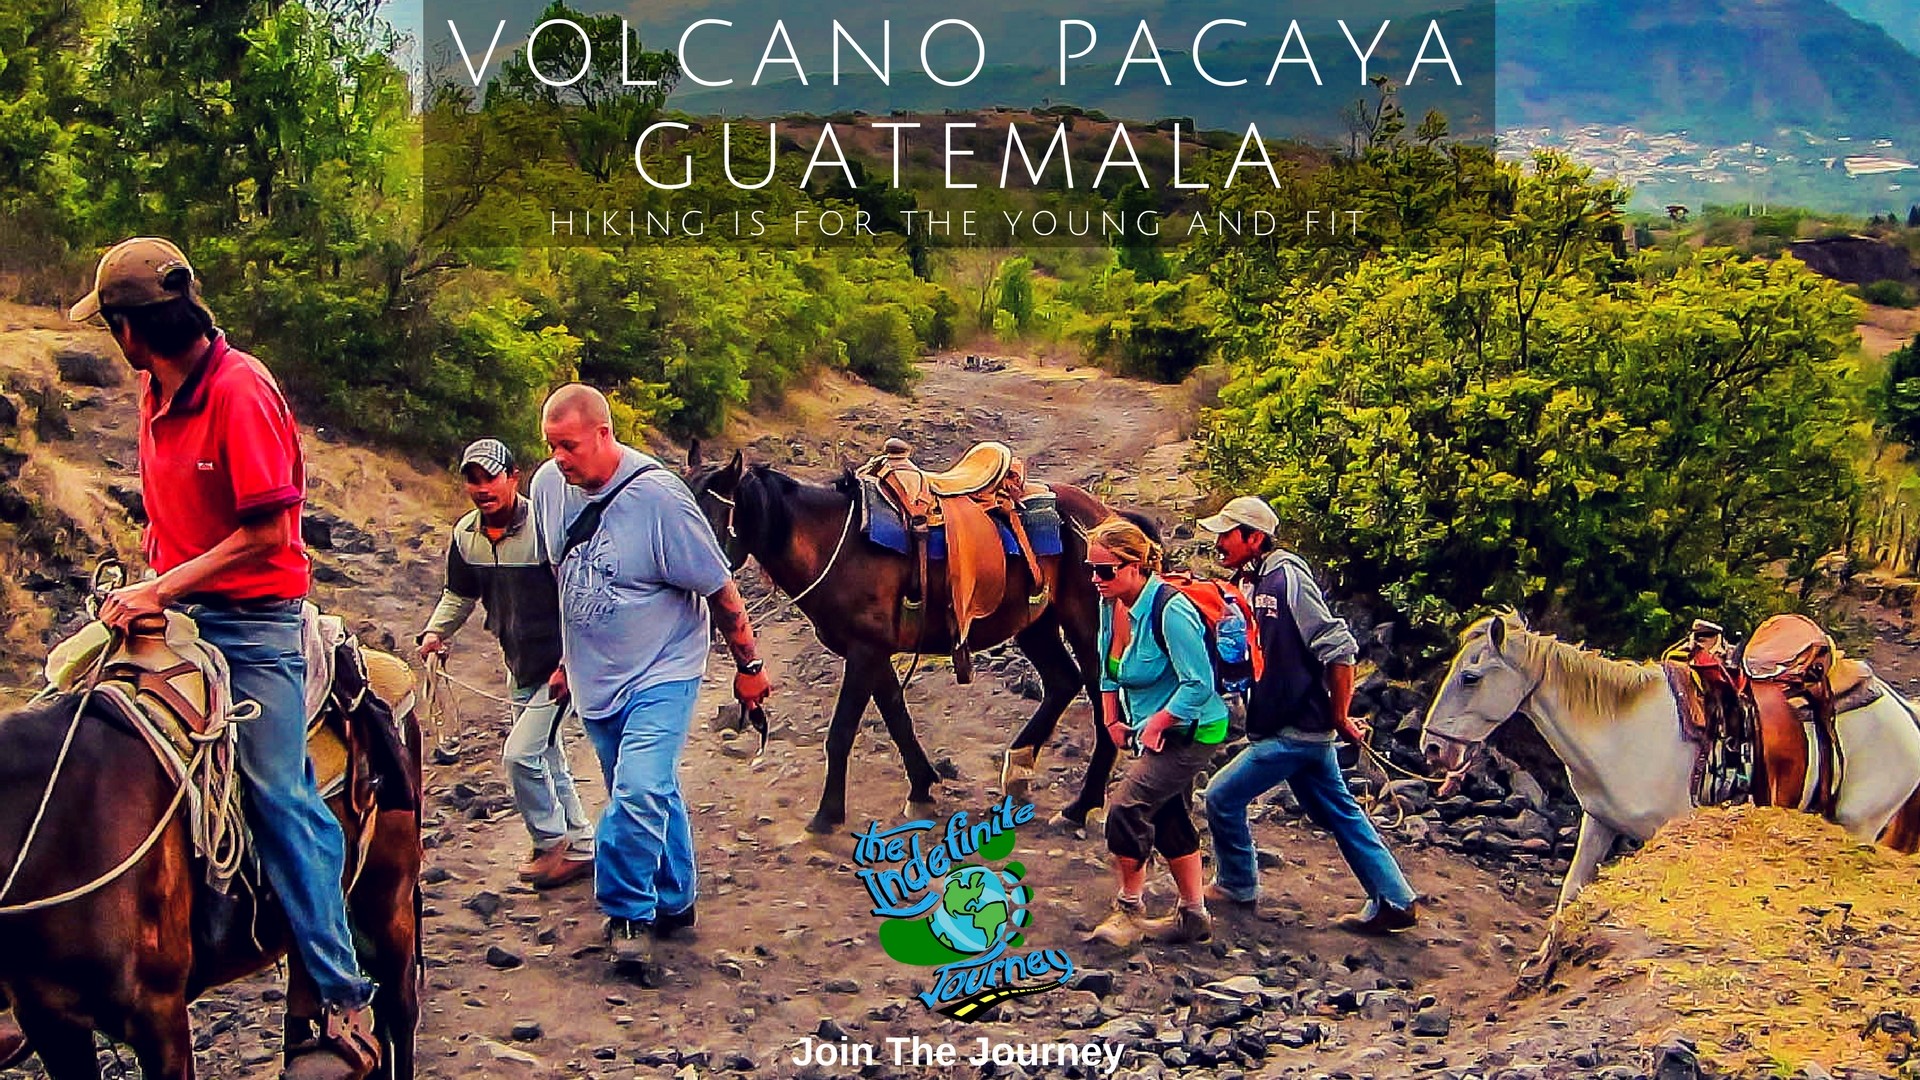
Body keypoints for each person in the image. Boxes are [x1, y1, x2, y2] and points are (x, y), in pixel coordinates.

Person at [76, 237, 379, 1078]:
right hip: (171, 599)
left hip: (252, 622)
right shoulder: (152, 388)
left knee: (277, 788)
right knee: (56, 720)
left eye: (111, 325)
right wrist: (149, 578)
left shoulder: (240, 390)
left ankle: (341, 988)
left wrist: (164, 590)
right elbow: (173, 507)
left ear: (133, 329)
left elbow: (269, 533)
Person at [529, 384, 771, 979]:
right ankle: (676, 896)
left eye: (570, 445)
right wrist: (565, 661)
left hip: (664, 670)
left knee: (635, 789)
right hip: (595, 677)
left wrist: (750, 668)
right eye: (551, 446)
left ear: (604, 434)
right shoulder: (546, 487)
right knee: (644, 788)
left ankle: (626, 913)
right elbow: (563, 578)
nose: (560, 458)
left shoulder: (661, 500)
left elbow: (720, 589)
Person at [1197, 495, 1420, 935]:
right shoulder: (1257, 580)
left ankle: (1236, 884)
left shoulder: (1286, 579)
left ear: (1254, 537)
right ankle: (1395, 898)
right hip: (1298, 724)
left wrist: (1339, 715)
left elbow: (1339, 647)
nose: (1219, 542)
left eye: (1227, 534)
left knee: (1221, 796)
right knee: (1339, 811)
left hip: (1297, 728)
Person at [419, 437, 593, 890]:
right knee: (546, 754)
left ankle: (549, 840)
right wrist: (436, 633)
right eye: (473, 480)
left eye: (490, 477)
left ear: (514, 477)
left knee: (519, 756)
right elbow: (460, 593)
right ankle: (580, 844)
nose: (482, 488)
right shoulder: (465, 535)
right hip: (518, 662)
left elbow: (577, 597)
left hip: (561, 665)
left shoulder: (545, 526)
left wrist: (569, 664)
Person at [1083, 517, 1229, 948]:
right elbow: (1107, 668)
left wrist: (1159, 723)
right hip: (1151, 728)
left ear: (1135, 566)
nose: (1096, 579)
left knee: (1127, 808)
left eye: (1105, 570)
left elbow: (1199, 683)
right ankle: (1193, 915)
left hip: (1193, 729)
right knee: (1167, 814)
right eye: (1091, 569)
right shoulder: (1112, 604)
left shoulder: (1171, 610)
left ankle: (1129, 909)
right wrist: (1111, 719)